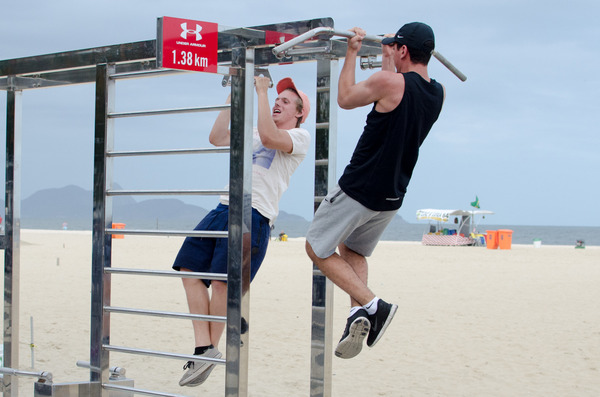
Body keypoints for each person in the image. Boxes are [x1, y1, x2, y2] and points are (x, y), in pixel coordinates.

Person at [305, 22, 445, 359]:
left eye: (395, 49)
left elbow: (345, 98)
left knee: (315, 247)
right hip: (392, 195)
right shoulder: (436, 92)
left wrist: (352, 52)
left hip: (359, 187)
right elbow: (391, 95)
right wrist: (386, 53)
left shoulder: (390, 82)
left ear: (404, 51)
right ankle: (359, 314)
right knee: (353, 250)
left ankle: (372, 305)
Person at [173, 76, 310, 386]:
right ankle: (204, 347)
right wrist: (235, 93)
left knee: (223, 284)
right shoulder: (253, 134)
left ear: (299, 113)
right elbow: (217, 136)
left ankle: (212, 343)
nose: (278, 101)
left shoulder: (299, 137)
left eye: (286, 101)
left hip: (255, 213)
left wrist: (261, 91)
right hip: (224, 206)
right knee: (188, 268)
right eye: (277, 97)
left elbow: (270, 136)